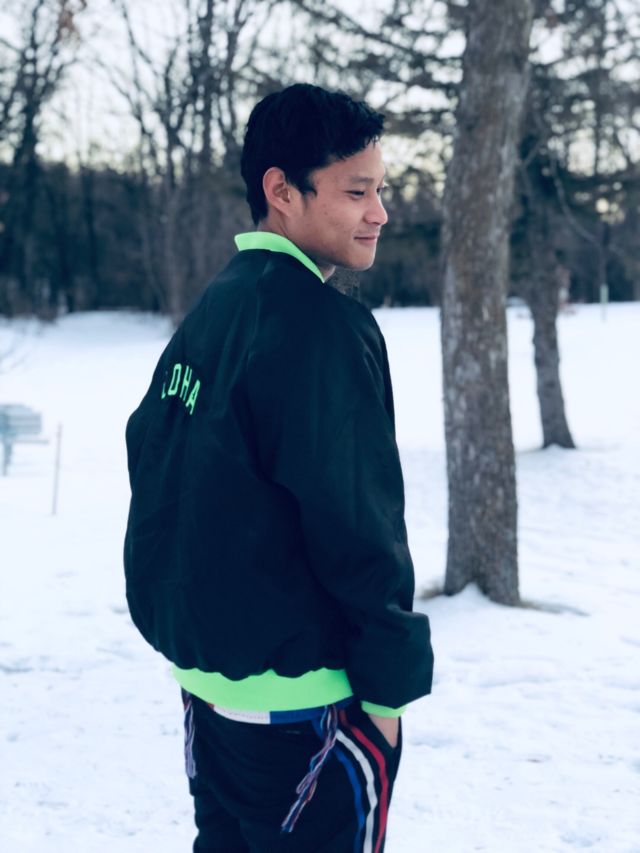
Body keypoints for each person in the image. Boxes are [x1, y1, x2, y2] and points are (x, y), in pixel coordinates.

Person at [123, 82, 434, 852]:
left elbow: (153, 456)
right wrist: (388, 695)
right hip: (307, 712)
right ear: (282, 191)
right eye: (356, 191)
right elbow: (357, 522)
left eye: (380, 190)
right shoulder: (320, 326)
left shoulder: (219, 305)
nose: (379, 213)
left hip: (213, 697)